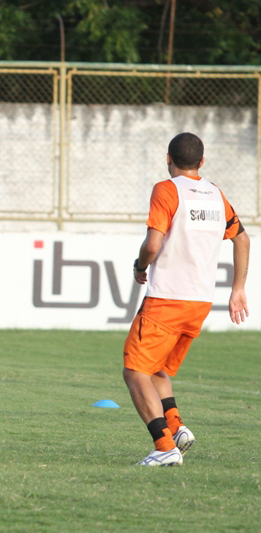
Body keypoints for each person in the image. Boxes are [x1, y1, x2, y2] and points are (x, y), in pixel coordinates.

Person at [124, 132, 249, 466]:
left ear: (168, 159)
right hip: (199, 302)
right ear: (202, 163)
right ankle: (177, 428)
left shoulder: (167, 190)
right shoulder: (216, 195)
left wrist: (140, 266)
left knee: (135, 372)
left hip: (167, 298)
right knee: (159, 369)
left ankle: (165, 447)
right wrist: (238, 289)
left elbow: (152, 244)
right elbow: (242, 239)